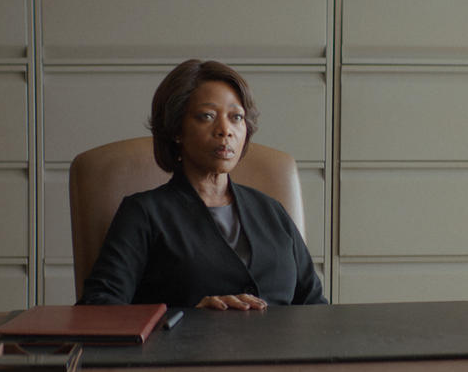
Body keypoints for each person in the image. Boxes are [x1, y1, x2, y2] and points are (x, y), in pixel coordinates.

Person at [78, 59, 327, 310]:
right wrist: (188, 319)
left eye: (236, 117)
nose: (225, 130)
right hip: (185, 350)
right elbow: (97, 308)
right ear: (177, 129)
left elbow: (316, 308)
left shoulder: (272, 211)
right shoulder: (143, 214)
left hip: (282, 349)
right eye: (207, 116)